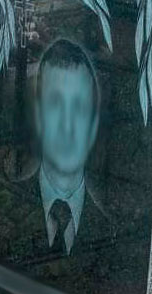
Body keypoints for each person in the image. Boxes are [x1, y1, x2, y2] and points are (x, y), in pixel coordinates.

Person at [34, 38, 101, 256]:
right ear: (38, 116)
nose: (67, 126)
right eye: (55, 104)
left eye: (80, 107)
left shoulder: (113, 230)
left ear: (93, 123)